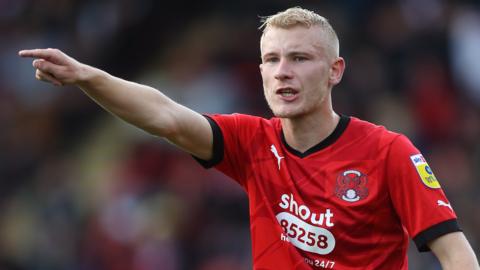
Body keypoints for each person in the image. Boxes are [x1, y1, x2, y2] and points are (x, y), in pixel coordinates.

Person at [19, 7, 479, 270]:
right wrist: (87, 76)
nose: (283, 72)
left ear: (335, 71)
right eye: (272, 59)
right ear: (260, 70)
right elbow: (165, 115)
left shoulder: (388, 152)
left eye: (299, 58)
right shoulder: (252, 140)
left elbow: (456, 255)